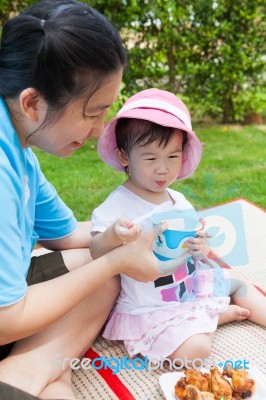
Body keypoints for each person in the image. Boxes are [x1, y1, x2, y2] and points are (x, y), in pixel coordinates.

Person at [0, 2, 167, 399]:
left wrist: (132, 231)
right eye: (92, 113)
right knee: (107, 267)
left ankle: (49, 374)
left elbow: (68, 237)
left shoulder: (19, 150)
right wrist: (115, 258)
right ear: (31, 102)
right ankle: (25, 377)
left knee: (105, 271)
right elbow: (6, 319)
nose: (98, 131)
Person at [90, 88, 266, 363]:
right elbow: (96, 251)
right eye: (150, 158)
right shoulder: (117, 206)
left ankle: (209, 315)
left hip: (190, 286)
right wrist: (113, 236)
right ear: (124, 157)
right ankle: (211, 320)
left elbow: (196, 248)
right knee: (196, 351)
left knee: (239, 281)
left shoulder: (179, 199)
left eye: (172, 157)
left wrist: (201, 246)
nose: (163, 169)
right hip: (153, 305)